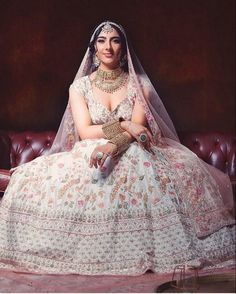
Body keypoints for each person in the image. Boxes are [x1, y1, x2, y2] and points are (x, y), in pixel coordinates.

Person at [0, 21, 235, 275]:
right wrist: (124, 124)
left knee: (141, 165)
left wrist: (113, 145)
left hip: (133, 149)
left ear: (123, 48)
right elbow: (86, 130)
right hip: (90, 149)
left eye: (115, 40)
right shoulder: (79, 87)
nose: (108, 47)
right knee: (48, 179)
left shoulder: (139, 84)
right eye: (101, 41)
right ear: (93, 48)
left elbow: (140, 133)